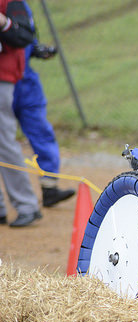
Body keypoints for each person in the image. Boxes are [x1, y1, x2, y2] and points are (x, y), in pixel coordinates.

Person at [12, 0, 75, 207]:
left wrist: (37, 50)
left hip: (26, 82)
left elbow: (24, 37)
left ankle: (49, 188)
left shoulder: (20, 5)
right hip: (5, 81)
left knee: (41, 133)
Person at [0, 0, 42, 227]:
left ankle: (27, 205)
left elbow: (24, 35)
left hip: (2, 79)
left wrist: (4, 22)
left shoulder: (10, 2)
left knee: (3, 142)